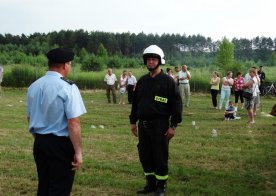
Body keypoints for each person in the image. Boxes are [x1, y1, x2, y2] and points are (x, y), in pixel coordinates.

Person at [27, 48, 87, 195]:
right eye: (70, 64)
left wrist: (40, 138)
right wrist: (78, 152)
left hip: (40, 143)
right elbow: (73, 122)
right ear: (66, 65)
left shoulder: (34, 86)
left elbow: (30, 117)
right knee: (59, 188)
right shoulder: (68, 87)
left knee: (44, 184)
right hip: (60, 145)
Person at [129, 45, 182, 195]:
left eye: (153, 59)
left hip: (160, 125)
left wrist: (173, 126)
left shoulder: (168, 82)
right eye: (148, 60)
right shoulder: (142, 81)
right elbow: (135, 104)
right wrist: (133, 122)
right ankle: (150, 184)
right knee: (145, 155)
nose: (150, 62)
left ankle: (161, 187)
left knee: (160, 156)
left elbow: (177, 105)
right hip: (143, 125)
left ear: (160, 61)